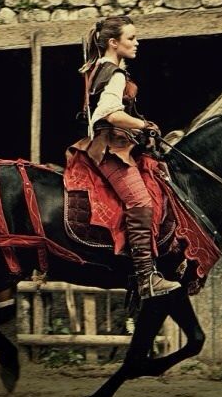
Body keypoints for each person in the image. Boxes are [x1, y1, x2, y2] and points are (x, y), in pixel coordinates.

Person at [66, 15, 180, 300]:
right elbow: (110, 114)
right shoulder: (114, 74)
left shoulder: (98, 68)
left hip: (111, 144)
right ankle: (146, 278)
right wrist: (143, 124)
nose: (137, 43)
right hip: (111, 150)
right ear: (113, 43)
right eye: (131, 38)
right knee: (140, 201)